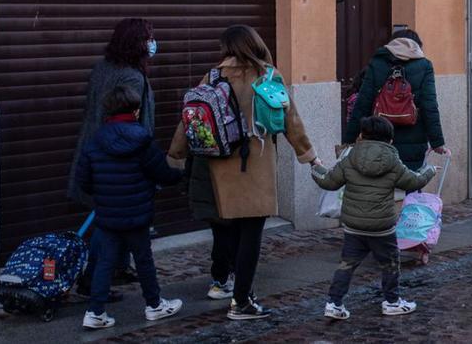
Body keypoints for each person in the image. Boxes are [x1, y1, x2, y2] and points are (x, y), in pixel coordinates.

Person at [168, 25, 321, 320]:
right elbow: (292, 121)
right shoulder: (268, 76)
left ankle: (231, 288)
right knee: (251, 235)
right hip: (255, 167)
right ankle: (242, 301)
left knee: (228, 232)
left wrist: (175, 156)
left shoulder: (212, 76)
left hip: (218, 167)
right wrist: (310, 157)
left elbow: (188, 122)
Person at [75, 86, 183, 329]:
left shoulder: (95, 141)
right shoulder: (142, 140)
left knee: (105, 262)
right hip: (137, 214)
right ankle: (154, 305)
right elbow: (162, 173)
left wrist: (104, 193)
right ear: (135, 111)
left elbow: (83, 180)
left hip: (108, 215)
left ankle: (95, 311)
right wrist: (181, 174)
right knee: (144, 259)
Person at [314, 116, 436, 320]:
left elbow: (328, 182)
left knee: (346, 264)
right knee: (390, 264)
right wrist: (429, 170)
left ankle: (334, 304)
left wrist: (316, 167)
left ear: (361, 136)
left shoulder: (350, 158)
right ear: (390, 140)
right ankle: (392, 301)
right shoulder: (393, 161)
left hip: (354, 226)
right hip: (381, 226)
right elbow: (413, 182)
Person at [71, 17, 159, 296]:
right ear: (138, 43)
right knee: (110, 222)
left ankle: (119, 266)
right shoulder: (133, 77)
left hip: (95, 149)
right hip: (121, 159)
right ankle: (93, 280)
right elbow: (136, 123)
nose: (153, 44)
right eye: (149, 38)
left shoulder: (102, 68)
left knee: (107, 217)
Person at [345, 29, 447, 170]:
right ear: (417, 46)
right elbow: (429, 106)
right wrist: (437, 142)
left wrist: (348, 140)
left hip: (379, 139)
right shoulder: (425, 66)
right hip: (414, 140)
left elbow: (362, 104)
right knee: (408, 184)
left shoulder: (376, 63)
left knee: (380, 185)